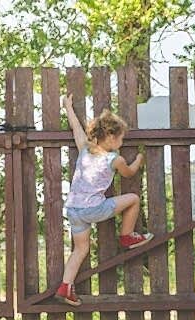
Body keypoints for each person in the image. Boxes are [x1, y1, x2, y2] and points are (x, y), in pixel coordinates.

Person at [55, 94, 154, 306]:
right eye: (121, 138)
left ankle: (65, 286)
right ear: (110, 137)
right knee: (134, 199)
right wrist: (138, 159)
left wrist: (67, 107)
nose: (122, 142)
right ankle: (127, 237)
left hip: (73, 209)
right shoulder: (114, 159)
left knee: (80, 249)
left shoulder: (84, 148)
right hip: (94, 209)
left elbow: (76, 128)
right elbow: (128, 173)